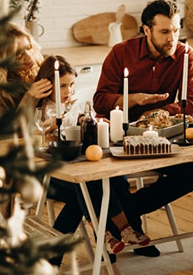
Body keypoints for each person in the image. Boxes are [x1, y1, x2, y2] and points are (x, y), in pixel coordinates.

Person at [93, 0, 193, 257]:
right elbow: (100, 100)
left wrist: (161, 112)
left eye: (176, 30)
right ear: (146, 30)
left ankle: (121, 219)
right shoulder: (121, 53)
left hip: (161, 139)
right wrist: (134, 99)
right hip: (119, 138)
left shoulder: (186, 56)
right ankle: (133, 229)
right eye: (165, 32)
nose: (172, 38)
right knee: (114, 175)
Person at [32, 55, 152, 264]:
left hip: (76, 170)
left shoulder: (74, 106)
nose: (69, 91)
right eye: (63, 86)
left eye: (71, 85)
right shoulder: (38, 111)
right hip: (49, 176)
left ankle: (57, 255)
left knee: (100, 181)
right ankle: (119, 229)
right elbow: (36, 140)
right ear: (47, 85)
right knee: (87, 186)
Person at [0, 22, 52, 117]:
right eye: (19, 54)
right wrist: (30, 98)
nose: (29, 57)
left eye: (29, 47)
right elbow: (5, 130)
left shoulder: (42, 64)